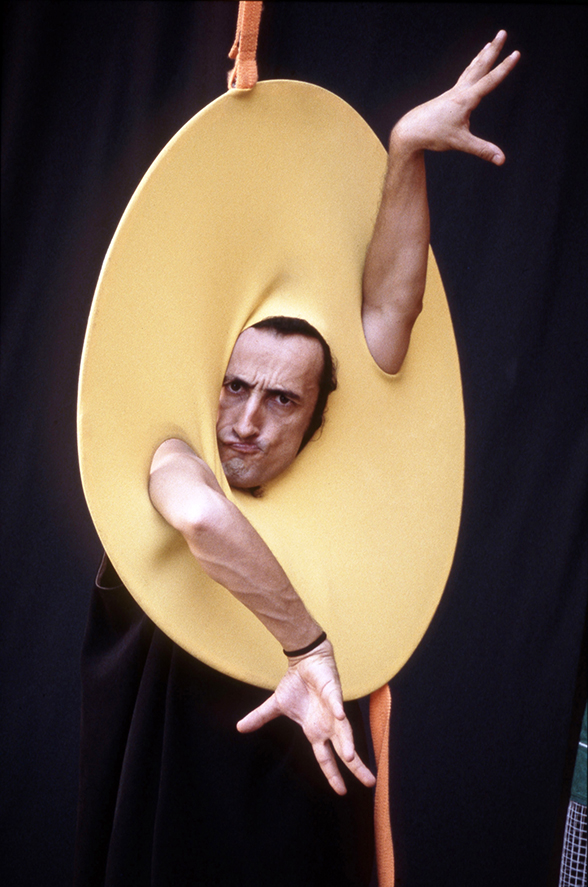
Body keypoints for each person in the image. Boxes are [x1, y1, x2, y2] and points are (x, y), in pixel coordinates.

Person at [75, 31, 519, 886]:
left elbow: (390, 311)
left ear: (318, 418)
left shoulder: (338, 443)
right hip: (176, 807)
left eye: (282, 400)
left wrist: (404, 152)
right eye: (236, 386)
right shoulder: (171, 454)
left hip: (291, 804)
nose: (246, 421)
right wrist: (308, 647)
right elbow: (202, 515)